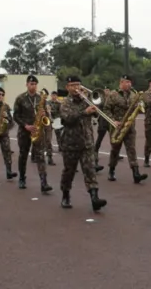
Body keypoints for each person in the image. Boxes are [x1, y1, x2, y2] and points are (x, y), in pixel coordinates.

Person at [58, 75, 107, 211]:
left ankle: (94, 198)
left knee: (90, 170)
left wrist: (95, 108)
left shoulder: (86, 100)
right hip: (71, 143)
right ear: (67, 87)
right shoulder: (65, 103)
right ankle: (65, 195)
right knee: (69, 171)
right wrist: (84, 112)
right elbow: (67, 118)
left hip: (87, 142)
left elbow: (96, 115)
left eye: (78, 85)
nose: (76, 88)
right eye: (73, 85)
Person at [103, 75, 148, 183]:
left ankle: (136, 173)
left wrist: (140, 104)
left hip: (130, 126)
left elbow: (138, 108)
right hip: (117, 126)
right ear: (121, 83)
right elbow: (106, 109)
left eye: (130, 82)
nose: (129, 84)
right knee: (115, 150)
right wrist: (113, 120)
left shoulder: (134, 95)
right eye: (127, 82)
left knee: (131, 149)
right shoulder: (113, 94)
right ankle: (111, 170)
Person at [12, 75, 53, 192]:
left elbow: (46, 116)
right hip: (24, 132)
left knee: (40, 156)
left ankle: (44, 182)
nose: (33, 86)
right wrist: (25, 125)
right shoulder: (20, 98)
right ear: (26, 84)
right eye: (31, 84)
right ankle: (22, 178)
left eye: (35, 84)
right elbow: (15, 115)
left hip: (38, 131)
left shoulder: (41, 98)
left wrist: (45, 114)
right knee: (23, 155)